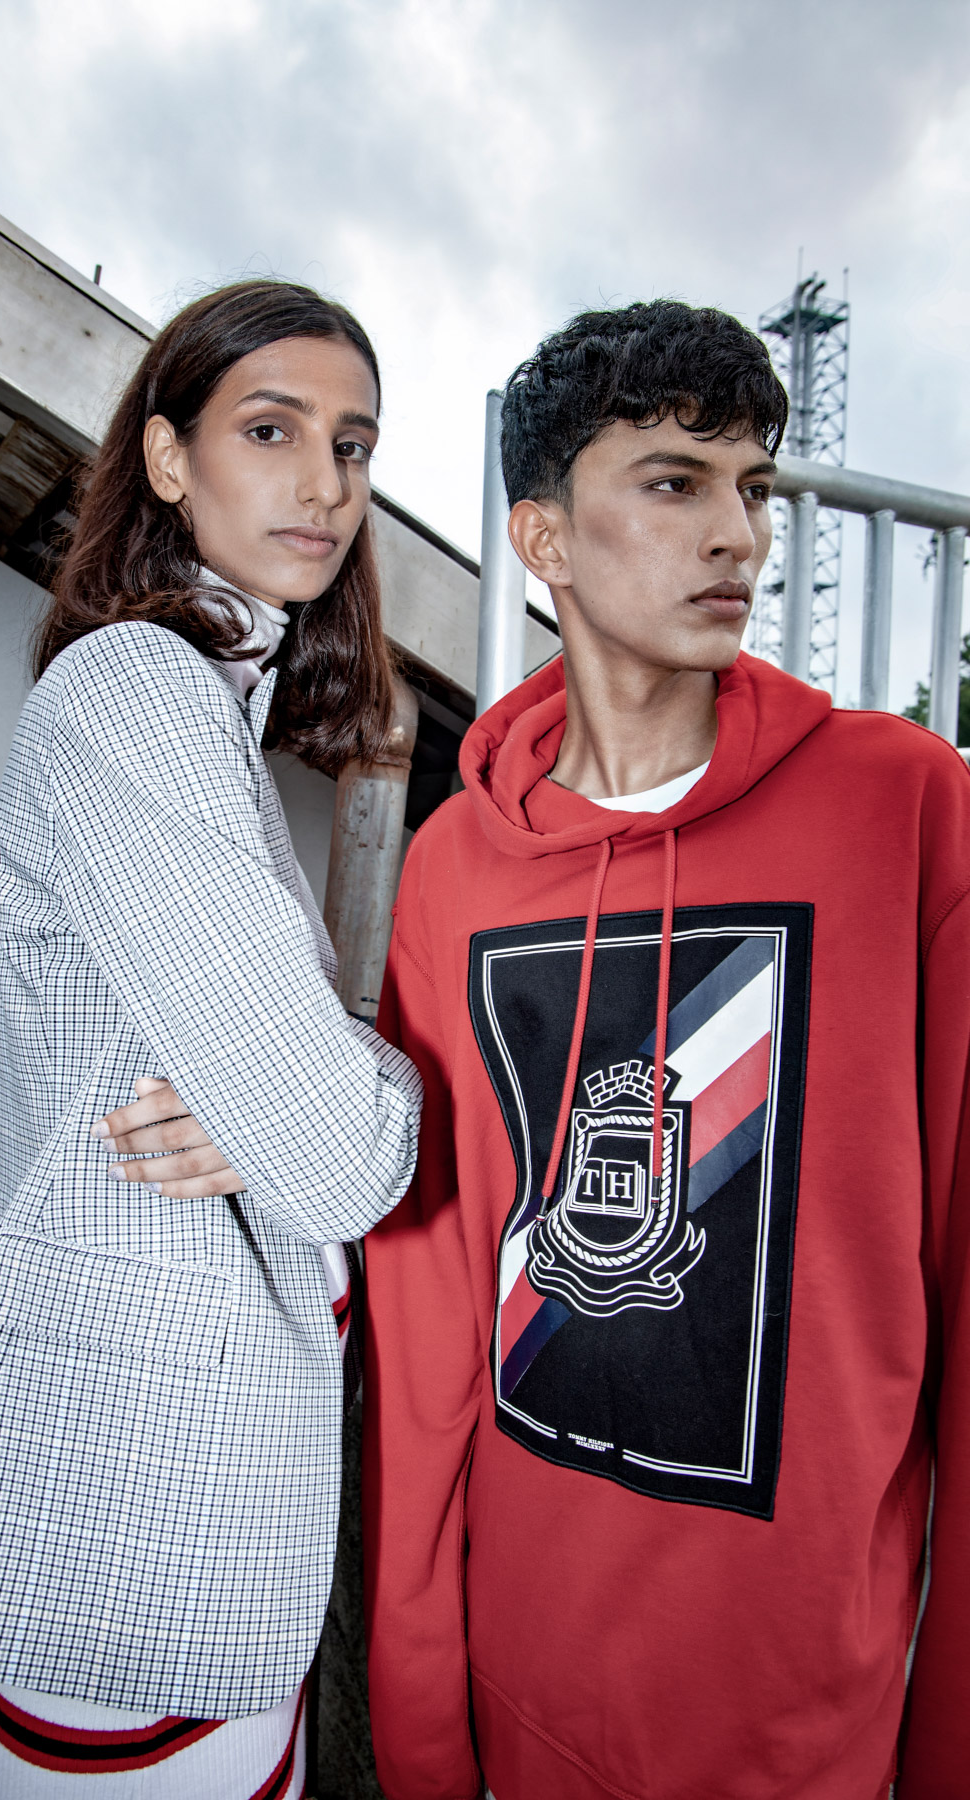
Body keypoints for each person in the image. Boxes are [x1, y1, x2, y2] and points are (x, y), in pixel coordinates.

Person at [362, 299, 970, 1799]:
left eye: (751, 487)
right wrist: (422, 1714)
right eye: (674, 482)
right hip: (526, 1674)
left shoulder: (904, 807)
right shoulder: (452, 868)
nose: (739, 536)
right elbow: (431, 1309)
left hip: (805, 1712)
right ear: (546, 539)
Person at [0, 277, 422, 1799]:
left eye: (353, 444)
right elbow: (340, 1158)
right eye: (271, 430)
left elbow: (295, 1122)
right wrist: (361, 1079)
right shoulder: (134, 690)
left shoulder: (214, 710)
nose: (324, 483)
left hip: (194, 1484)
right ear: (168, 457)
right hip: (138, 1487)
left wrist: (290, 1093)